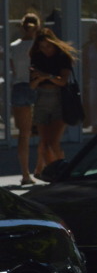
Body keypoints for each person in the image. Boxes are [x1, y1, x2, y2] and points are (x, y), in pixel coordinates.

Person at [29, 27, 77, 179]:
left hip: (59, 99)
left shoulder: (62, 57)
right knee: (44, 142)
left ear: (53, 44)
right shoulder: (37, 57)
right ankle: (49, 171)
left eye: (48, 46)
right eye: (42, 47)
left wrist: (46, 76)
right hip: (42, 98)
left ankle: (62, 171)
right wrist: (39, 78)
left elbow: (62, 81)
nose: (45, 50)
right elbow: (32, 85)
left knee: (53, 142)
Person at [8, 13, 40, 184]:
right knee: (44, 130)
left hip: (20, 87)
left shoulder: (14, 46)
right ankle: (41, 168)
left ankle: (25, 174)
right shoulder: (39, 46)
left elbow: (13, 68)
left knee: (24, 134)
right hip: (37, 85)